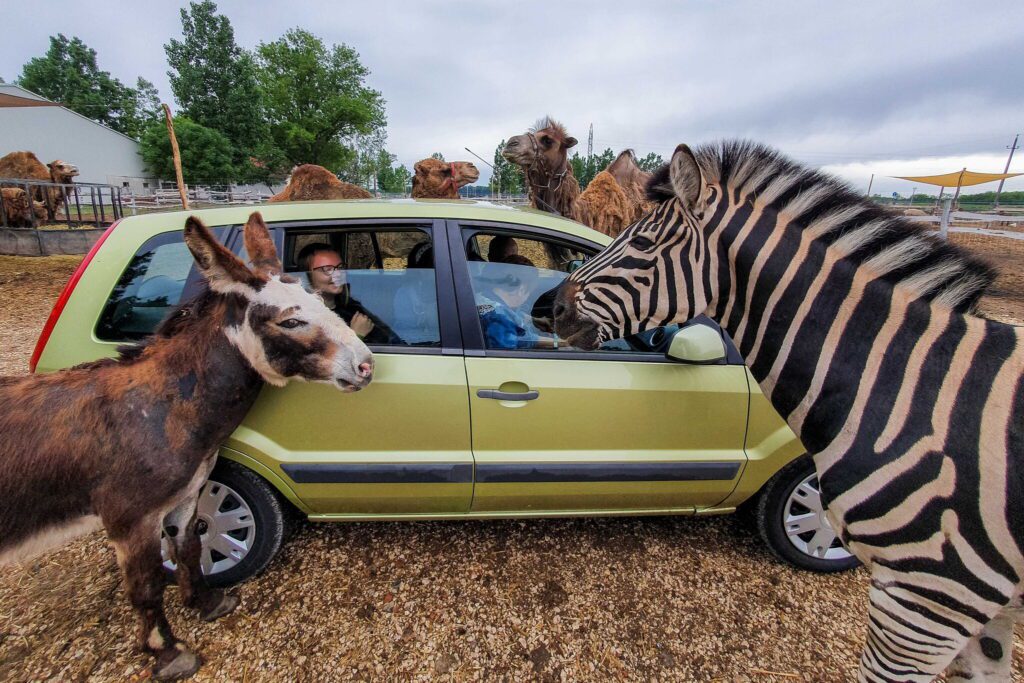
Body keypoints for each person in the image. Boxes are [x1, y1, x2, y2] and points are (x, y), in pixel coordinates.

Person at [296, 243, 396, 344]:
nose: (338, 274)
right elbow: (323, 357)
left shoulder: (351, 307)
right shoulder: (304, 318)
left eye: (340, 267)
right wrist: (356, 335)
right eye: (327, 269)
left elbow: (390, 338)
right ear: (307, 276)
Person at [476, 255, 555, 350]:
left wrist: (533, 320)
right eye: (529, 292)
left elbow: (511, 314)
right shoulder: (496, 316)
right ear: (522, 289)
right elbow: (522, 341)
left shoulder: (486, 297)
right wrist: (564, 343)